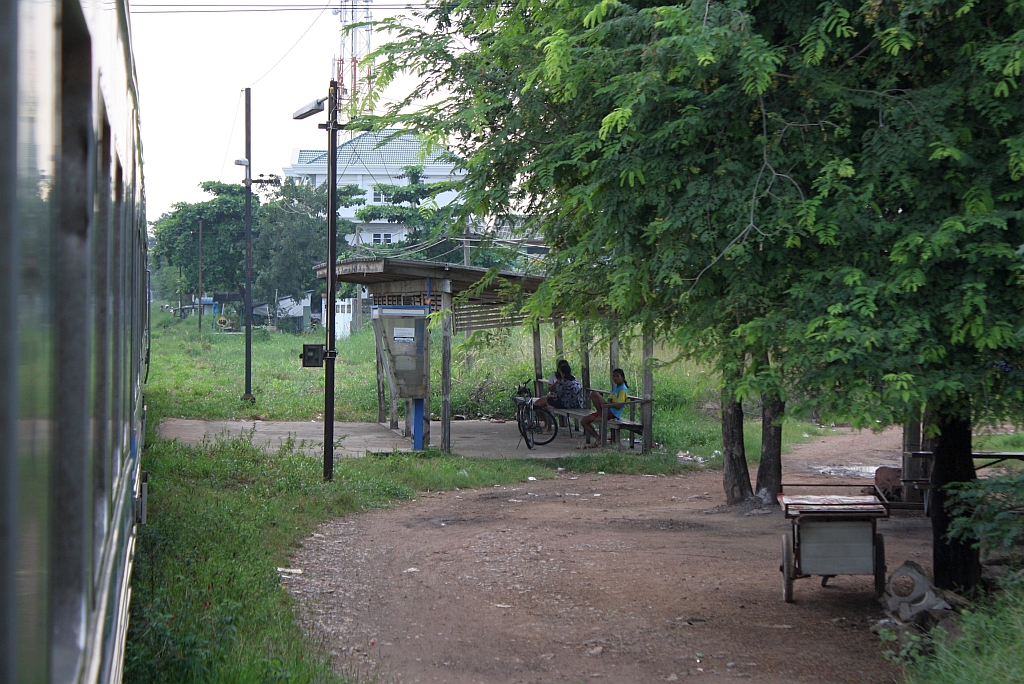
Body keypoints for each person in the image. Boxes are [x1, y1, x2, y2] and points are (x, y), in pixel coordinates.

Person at [581, 368, 628, 447]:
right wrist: (610, 402)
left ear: (622, 377)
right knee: (584, 421)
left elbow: (619, 406)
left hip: (613, 413)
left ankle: (601, 415)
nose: (615, 378)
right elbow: (611, 398)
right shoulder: (616, 387)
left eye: (617, 376)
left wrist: (611, 403)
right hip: (607, 408)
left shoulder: (623, 389)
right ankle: (598, 437)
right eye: (614, 376)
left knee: (594, 393)